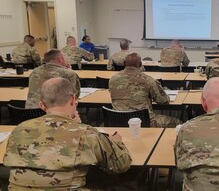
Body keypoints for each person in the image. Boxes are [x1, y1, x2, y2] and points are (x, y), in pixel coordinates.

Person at [3, 78, 132, 190]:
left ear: (42, 105)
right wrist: (117, 141)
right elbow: (120, 164)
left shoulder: (19, 129)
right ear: (72, 100)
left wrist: (74, 125)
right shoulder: (85, 134)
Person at [109, 53, 181, 127]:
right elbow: (163, 101)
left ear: (124, 63)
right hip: (145, 122)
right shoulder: (148, 80)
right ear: (140, 64)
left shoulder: (113, 79)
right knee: (178, 123)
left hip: (118, 121)